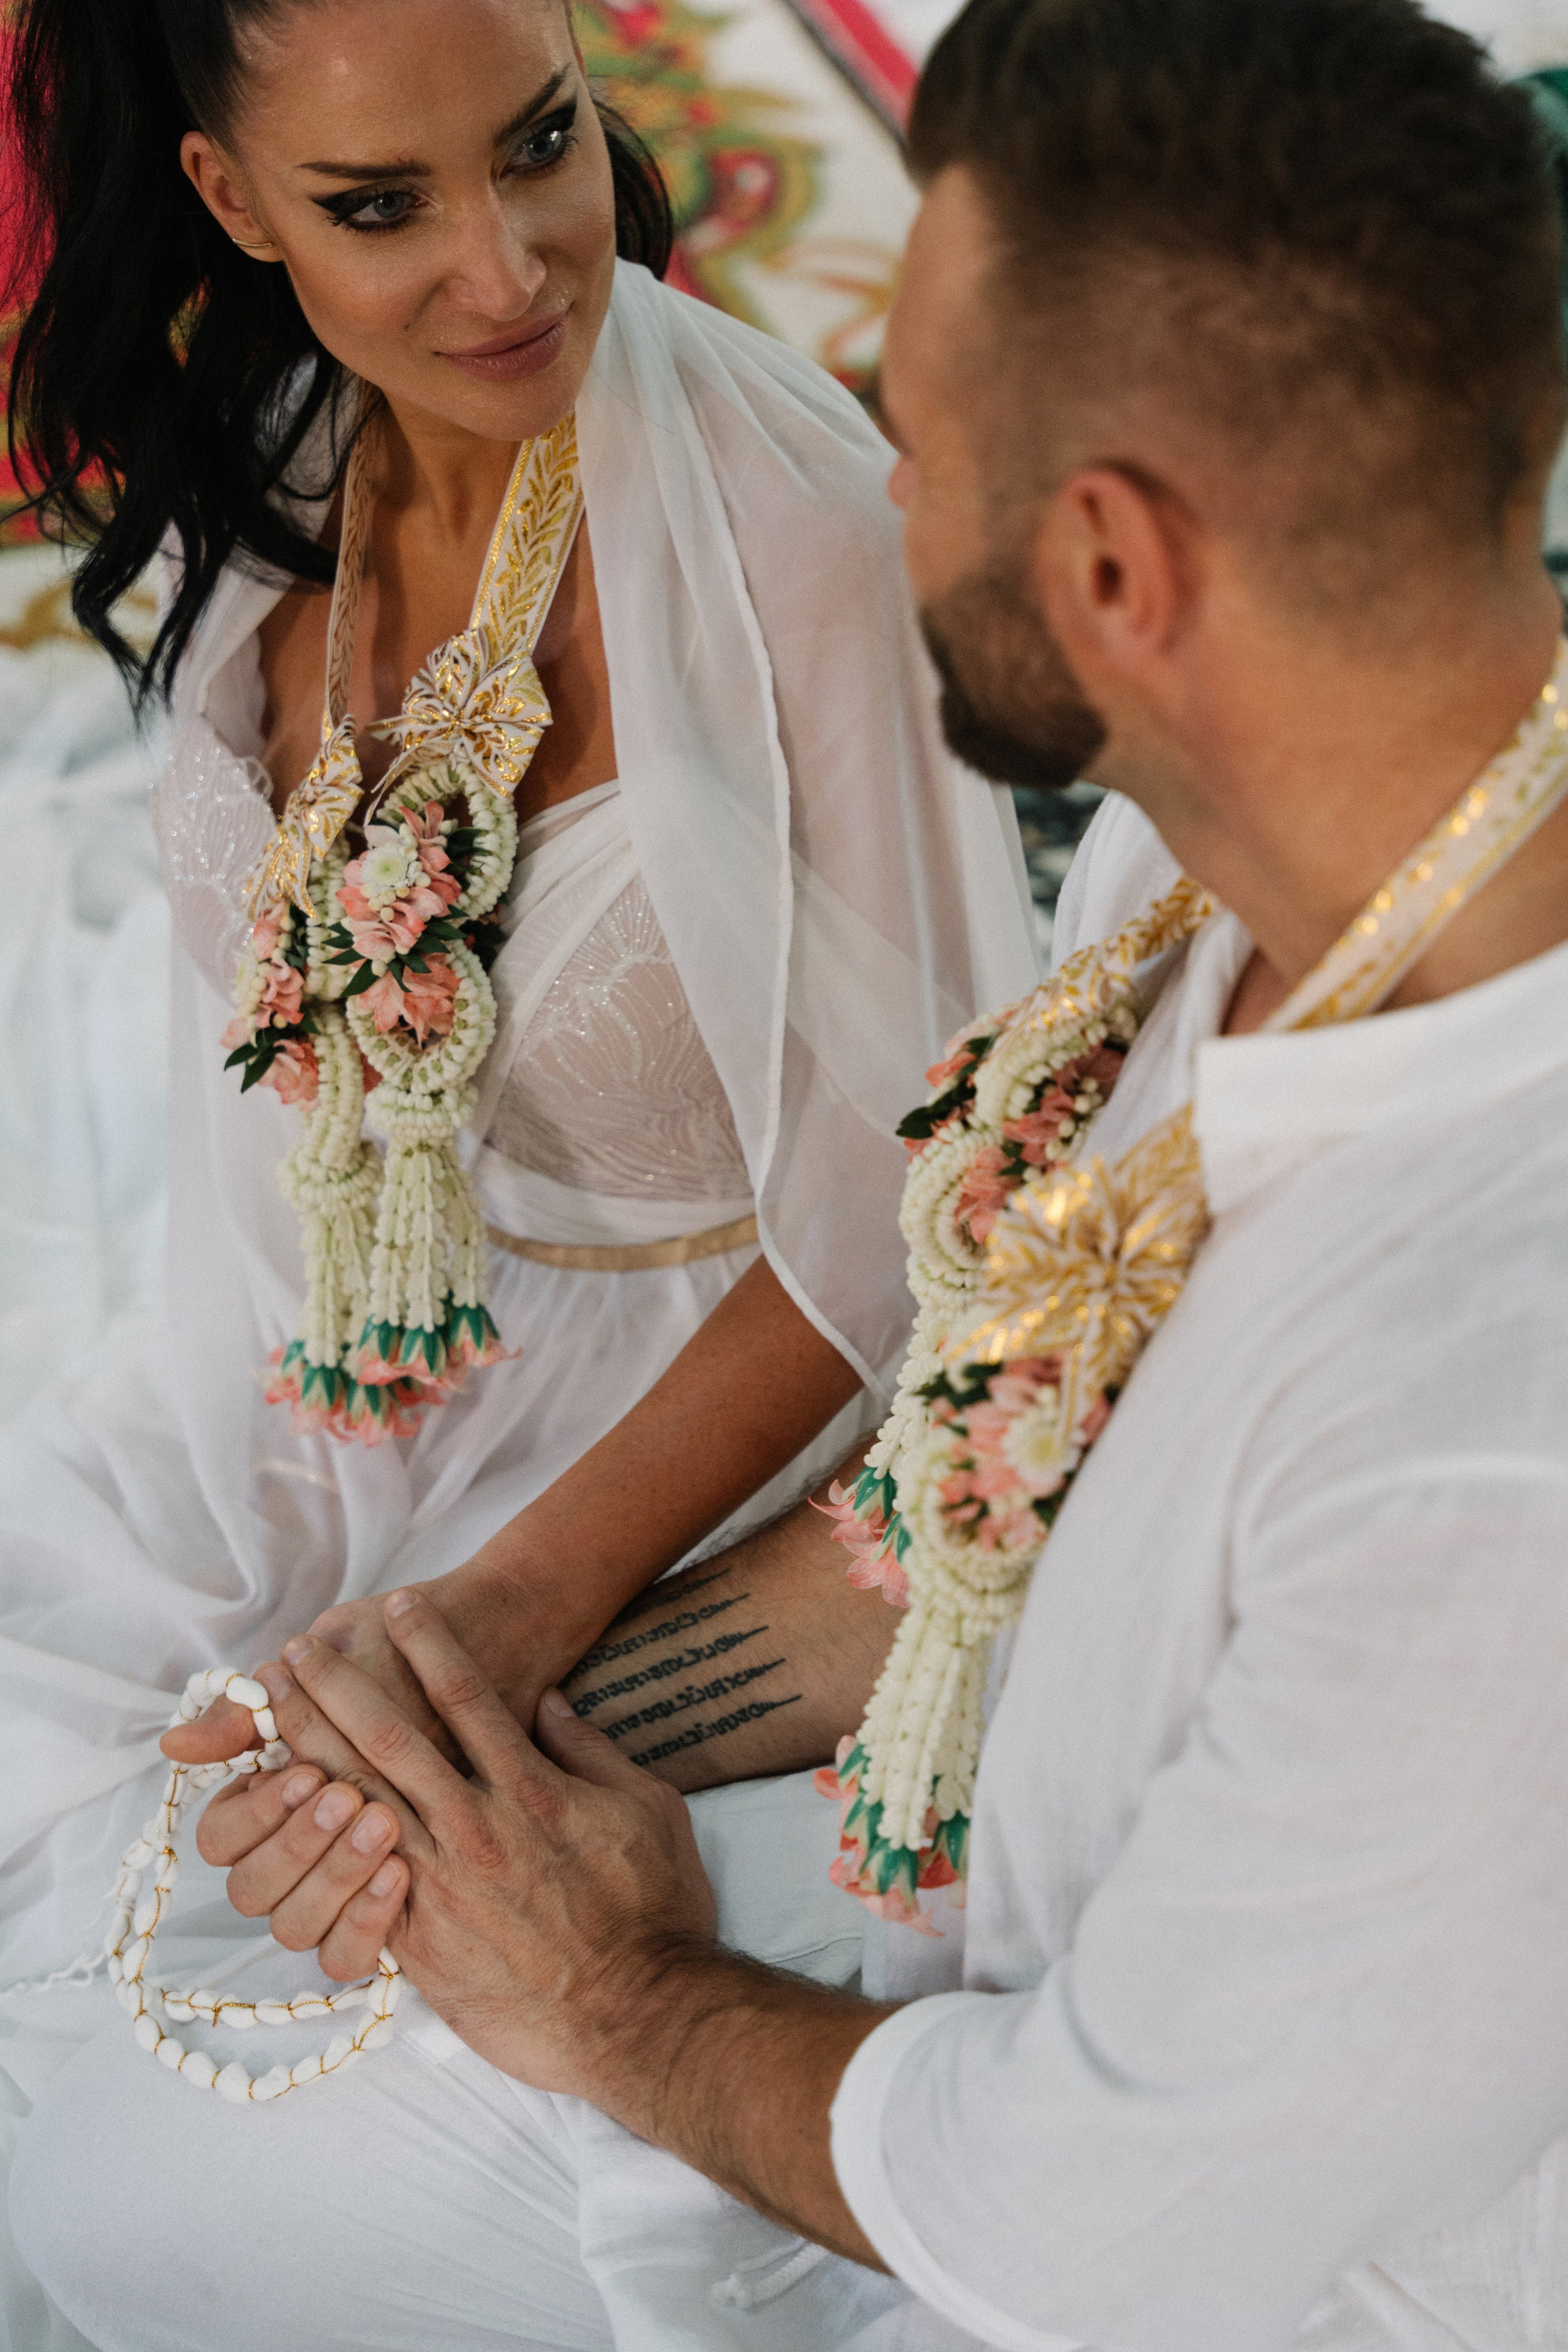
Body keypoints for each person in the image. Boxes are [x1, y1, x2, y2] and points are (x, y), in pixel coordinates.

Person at [13, 0, 1568, 2345]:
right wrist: (474, 1738)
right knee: (157, 1922)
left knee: (119, 2181)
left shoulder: (1486, 1449)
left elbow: (1099, 2228)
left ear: (1112, 565)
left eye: (919, 438)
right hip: (969, 1861)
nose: (863, 470)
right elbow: (995, 1490)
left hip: (1211, 2245)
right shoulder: (1199, 845)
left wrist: (610, 1983)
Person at [0, 0, 1036, 2338]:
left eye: (541, 143)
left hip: (750, 1452)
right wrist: (317, 1549)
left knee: (245, 2152)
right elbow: (275, 1156)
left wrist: (504, 1613)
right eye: (382, 207)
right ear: (235, 208)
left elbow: (920, 1212)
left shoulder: (790, 524)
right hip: (357, 1412)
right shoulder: (280, 477)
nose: (511, 267)